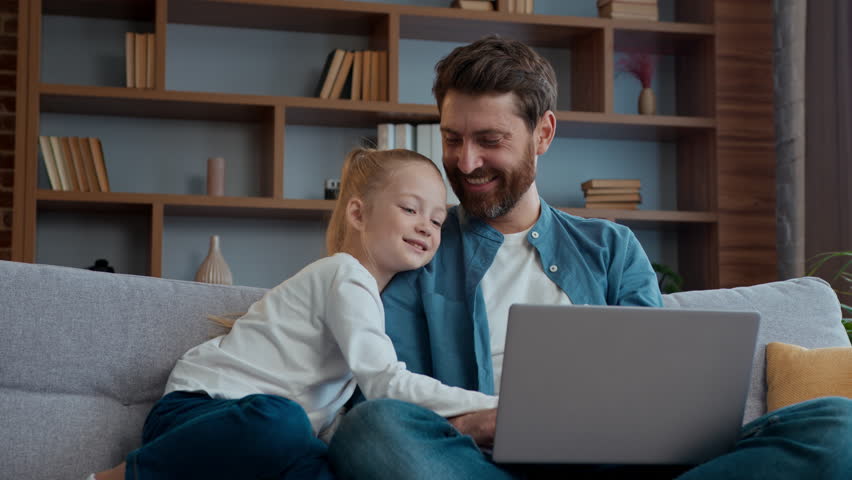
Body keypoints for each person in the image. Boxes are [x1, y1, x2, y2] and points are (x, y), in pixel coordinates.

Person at [327, 35, 852, 479]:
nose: (466, 162)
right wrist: (478, 423)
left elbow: (658, 389)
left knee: (837, 425)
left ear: (543, 133)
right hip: (478, 466)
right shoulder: (416, 248)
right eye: (452, 139)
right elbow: (378, 397)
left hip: (615, 465)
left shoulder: (610, 248)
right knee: (371, 431)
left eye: (490, 140)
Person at [86, 148, 498, 480]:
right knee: (282, 421)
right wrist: (494, 404)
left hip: (275, 441)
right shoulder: (345, 274)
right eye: (410, 209)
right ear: (357, 214)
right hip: (197, 414)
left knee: (323, 463)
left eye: (437, 220)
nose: (426, 226)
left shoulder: (374, 299)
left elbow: (330, 413)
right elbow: (386, 383)